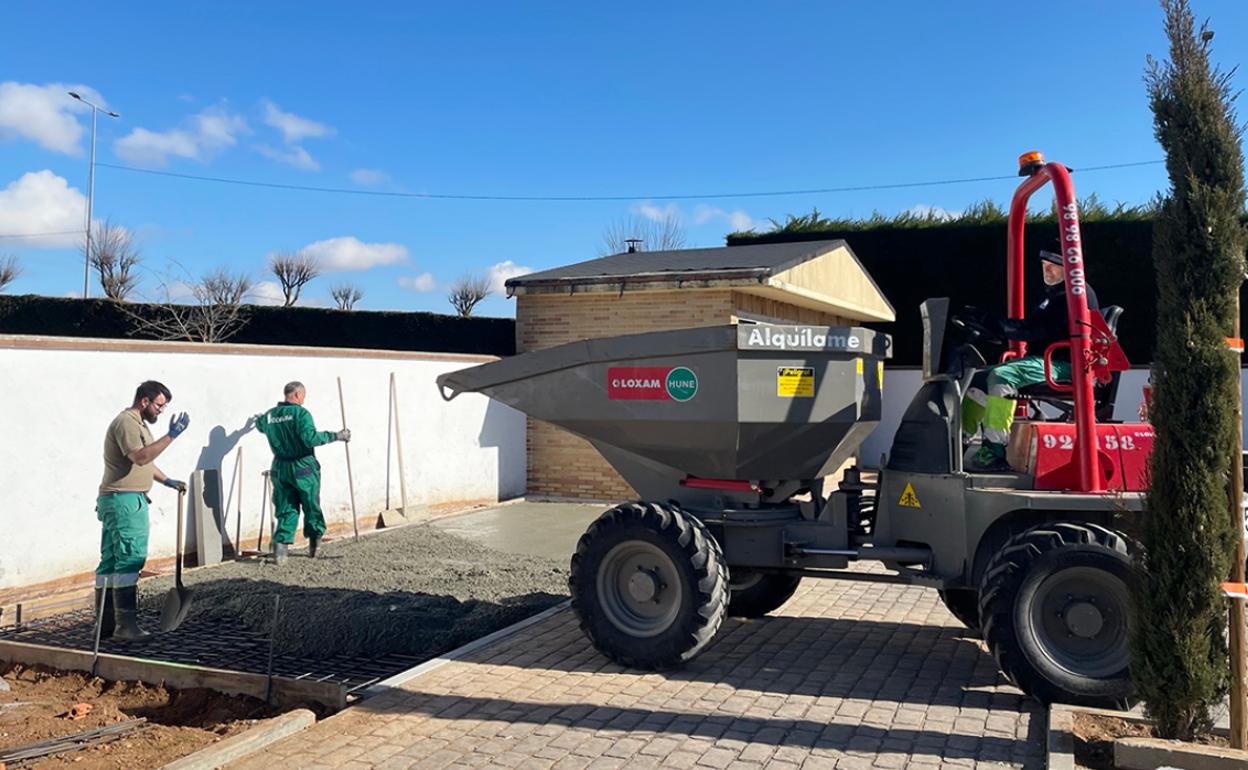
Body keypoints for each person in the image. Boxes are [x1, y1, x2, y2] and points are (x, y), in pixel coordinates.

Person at [960, 240, 1100, 471]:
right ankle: (961, 444)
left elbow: (1039, 330)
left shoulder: (1076, 294)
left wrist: (996, 324)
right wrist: (994, 325)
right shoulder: (1054, 295)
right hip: (1044, 359)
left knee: (1002, 376)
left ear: (1069, 266)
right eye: (1045, 264)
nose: (1047, 269)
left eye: (1053, 265)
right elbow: (1033, 326)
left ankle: (994, 450)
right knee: (975, 381)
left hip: (1064, 363)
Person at [96, 381, 190, 641]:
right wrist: (171, 436)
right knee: (130, 559)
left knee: (112, 561)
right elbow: (139, 458)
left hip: (118, 499)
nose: (161, 410)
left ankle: (104, 625)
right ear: (144, 401)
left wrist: (167, 480)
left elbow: (145, 462)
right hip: (124, 501)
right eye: (159, 405)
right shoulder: (126, 422)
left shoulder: (138, 425)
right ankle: (126, 627)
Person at [255, 381, 350, 564]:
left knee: (285, 507)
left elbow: (260, 425)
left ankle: (281, 551)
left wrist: (258, 420)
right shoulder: (301, 414)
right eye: (304, 396)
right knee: (311, 505)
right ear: (297, 395)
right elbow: (310, 439)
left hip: (280, 468)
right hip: (302, 467)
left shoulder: (270, 416)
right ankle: (315, 544)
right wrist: (337, 436)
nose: (304, 399)